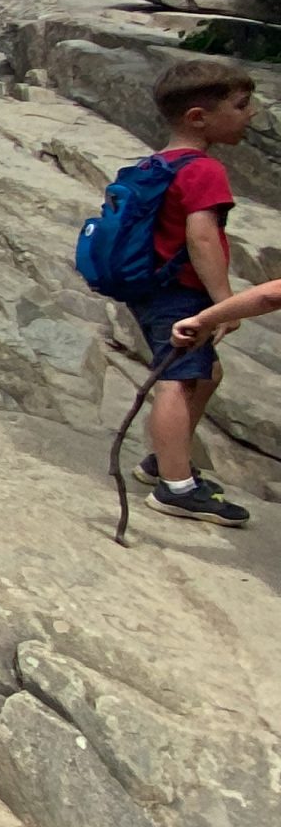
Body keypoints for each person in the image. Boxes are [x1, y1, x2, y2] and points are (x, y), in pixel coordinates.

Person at [124, 61, 258, 526]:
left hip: (151, 288)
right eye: (240, 106)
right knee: (179, 381)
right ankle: (175, 487)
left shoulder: (155, 164)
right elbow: (201, 238)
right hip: (178, 293)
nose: (251, 114)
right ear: (198, 117)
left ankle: (166, 458)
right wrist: (224, 303)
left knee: (207, 374)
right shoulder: (203, 169)